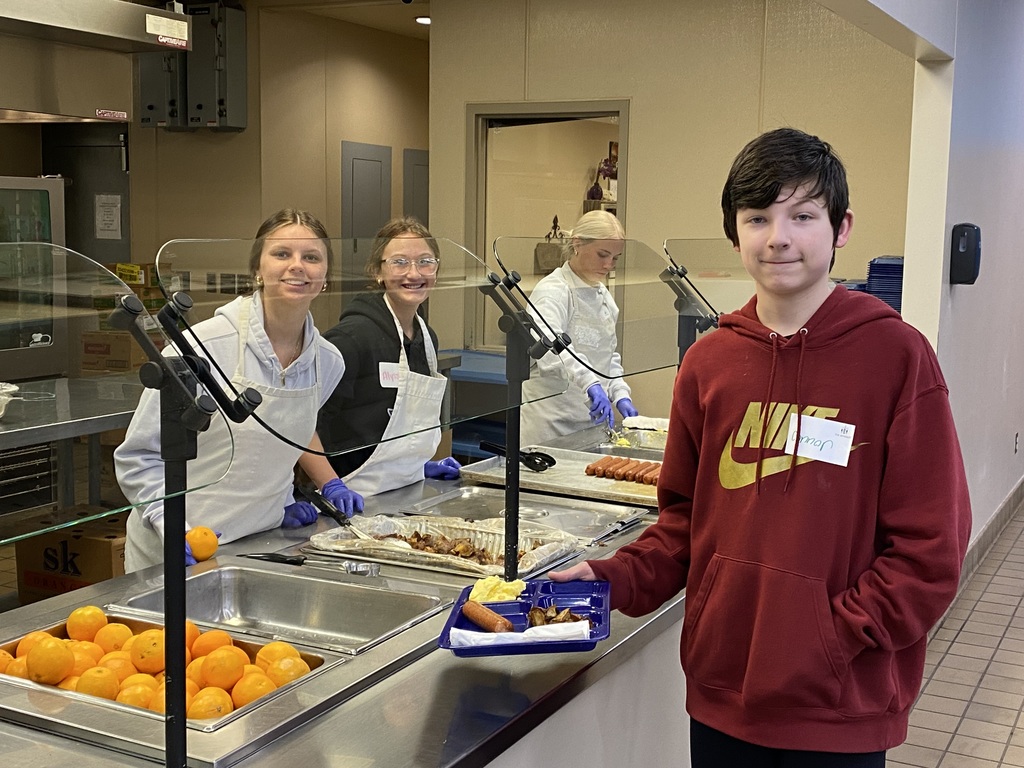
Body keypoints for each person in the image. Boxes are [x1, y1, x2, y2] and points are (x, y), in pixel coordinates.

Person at [550, 128, 972, 766]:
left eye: (803, 215)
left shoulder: (895, 358)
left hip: (837, 707)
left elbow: (930, 551)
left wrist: (831, 638)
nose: (779, 237)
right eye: (758, 218)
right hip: (721, 701)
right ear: (735, 231)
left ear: (842, 226)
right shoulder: (711, 361)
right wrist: (609, 580)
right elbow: (682, 526)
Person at [115, 209, 363, 572]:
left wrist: (280, 505)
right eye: (282, 254)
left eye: (311, 257)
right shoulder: (201, 348)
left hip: (259, 546)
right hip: (177, 552)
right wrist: (168, 523)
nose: (297, 266)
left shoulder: (329, 362)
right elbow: (138, 457)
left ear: (325, 276)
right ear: (257, 270)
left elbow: (286, 434)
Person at [316, 217, 461, 497]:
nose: (414, 273)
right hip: (354, 490)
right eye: (400, 262)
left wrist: (419, 466)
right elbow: (307, 423)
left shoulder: (426, 338)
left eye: (425, 261)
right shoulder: (352, 338)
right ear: (376, 271)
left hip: (402, 488)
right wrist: (328, 484)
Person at [519, 210, 638, 447]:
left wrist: (620, 393)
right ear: (577, 244)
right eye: (602, 254)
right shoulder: (553, 291)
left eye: (615, 258)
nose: (608, 265)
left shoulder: (602, 295)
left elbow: (607, 355)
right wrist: (590, 384)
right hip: (551, 424)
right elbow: (551, 350)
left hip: (591, 422)